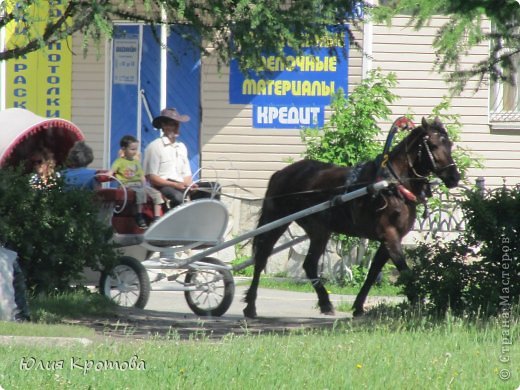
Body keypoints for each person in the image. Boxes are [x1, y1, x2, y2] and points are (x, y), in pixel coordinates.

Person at [144, 108, 199, 208]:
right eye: (173, 124)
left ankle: (205, 221)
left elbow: (187, 176)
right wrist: (174, 185)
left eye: (178, 124)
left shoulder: (182, 147)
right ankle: (177, 222)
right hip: (163, 186)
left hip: (180, 185)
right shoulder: (155, 147)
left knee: (211, 188)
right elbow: (152, 178)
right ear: (164, 126)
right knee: (178, 197)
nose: (177, 127)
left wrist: (190, 185)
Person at [111, 135, 164, 228]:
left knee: (156, 193)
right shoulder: (119, 161)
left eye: (136, 149)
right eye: (132, 149)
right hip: (126, 185)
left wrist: (144, 184)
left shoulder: (136, 162)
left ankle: (157, 217)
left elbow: (141, 176)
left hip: (138, 184)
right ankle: (139, 215)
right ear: (124, 149)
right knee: (141, 192)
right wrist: (108, 174)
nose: (135, 151)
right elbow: (111, 171)